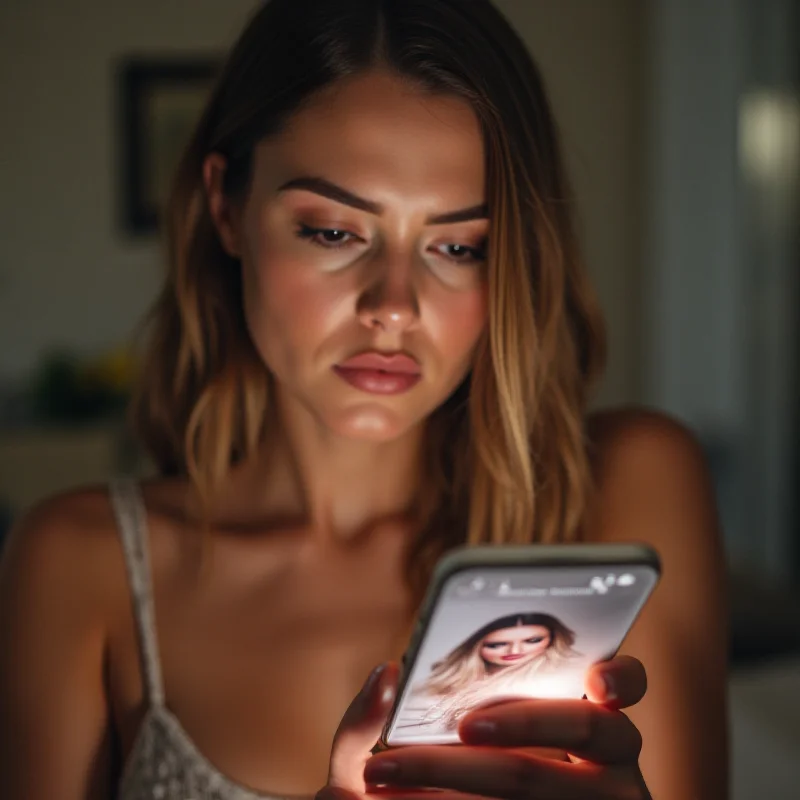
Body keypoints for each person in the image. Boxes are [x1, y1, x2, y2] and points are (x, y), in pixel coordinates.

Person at [0, 0, 728, 798]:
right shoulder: (79, 564)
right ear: (227, 208)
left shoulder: (626, 490)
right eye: (334, 232)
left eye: (457, 246)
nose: (394, 305)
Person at [399, 613, 582, 732]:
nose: (515, 651)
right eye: (497, 644)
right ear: (475, 647)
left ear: (552, 640)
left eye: (533, 640)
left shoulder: (563, 682)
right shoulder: (434, 686)